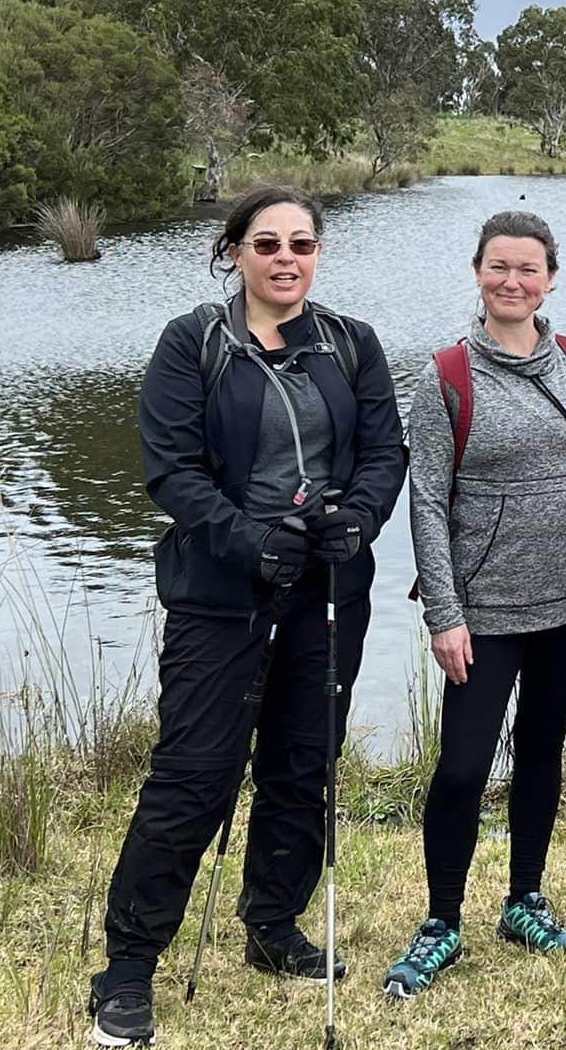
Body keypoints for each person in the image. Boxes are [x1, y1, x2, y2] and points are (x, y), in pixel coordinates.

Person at [89, 186, 406, 1048]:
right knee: (194, 775)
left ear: (318, 253)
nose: (285, 258)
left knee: (306, 764)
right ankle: (127, 967)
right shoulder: (193, 343)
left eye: (301, 244)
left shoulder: (352, 344)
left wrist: (360, 518)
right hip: (220, 595)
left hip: (327, 592)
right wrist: (249, 540)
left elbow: (385, 451)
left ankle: (272, 924)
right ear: (233, 252)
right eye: (266, 243)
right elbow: (172, 470)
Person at [383, 210, 566, 1000]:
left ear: (550, 278)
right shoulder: (448, 375)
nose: (513, 281)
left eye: (529, 269)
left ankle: (524, 899)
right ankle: (441, 922)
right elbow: (427, 501)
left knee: (542, 755)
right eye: (499, 267)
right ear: (478, 272)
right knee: (460, 769)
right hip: (484, 611)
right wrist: (444, 615)